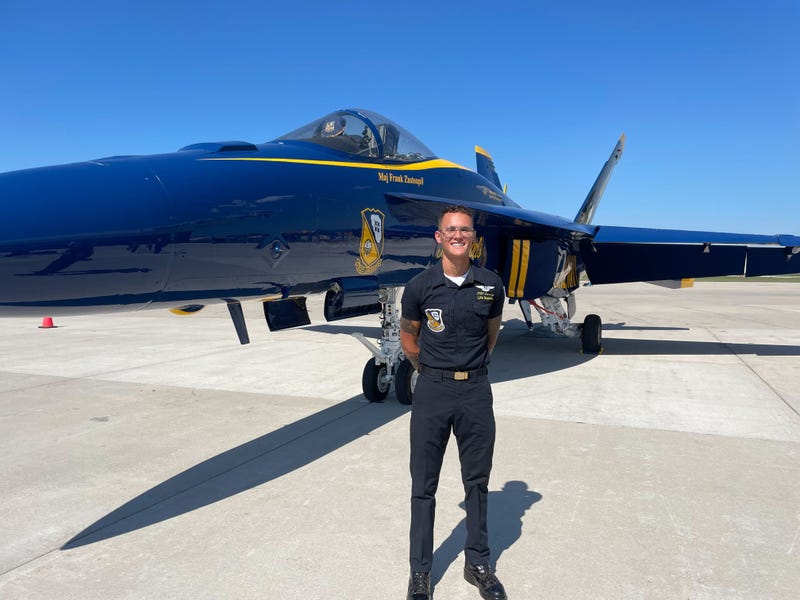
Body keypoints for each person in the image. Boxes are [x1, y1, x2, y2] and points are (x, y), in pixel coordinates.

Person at [400, 205, 508, 600]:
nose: (458, 235)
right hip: (432, 392)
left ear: (473, 237)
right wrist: (430, 370)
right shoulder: (419, 287)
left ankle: (477, 562)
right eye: (451, 229)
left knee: (477, 482)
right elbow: (408, 336)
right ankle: (420, 572)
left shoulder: (491, 285)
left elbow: (492, 332)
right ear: (439, 237)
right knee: (423, 485)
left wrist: (470, 370)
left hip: (476, 392)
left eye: (465, 229)